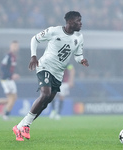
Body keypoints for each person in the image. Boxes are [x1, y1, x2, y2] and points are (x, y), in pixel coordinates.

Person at [12, 11, 89, 141]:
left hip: (59, 73)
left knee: (46, 102)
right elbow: (34, 39)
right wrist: (33, 56)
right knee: (45, 94)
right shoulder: (54, 31)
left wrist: (81, 60)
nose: (81, 23)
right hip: (45, 66)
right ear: (70, 22)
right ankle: (26, 126)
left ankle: (20, 126)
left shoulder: (79, 37)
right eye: (78, 20)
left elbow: (77, 55)